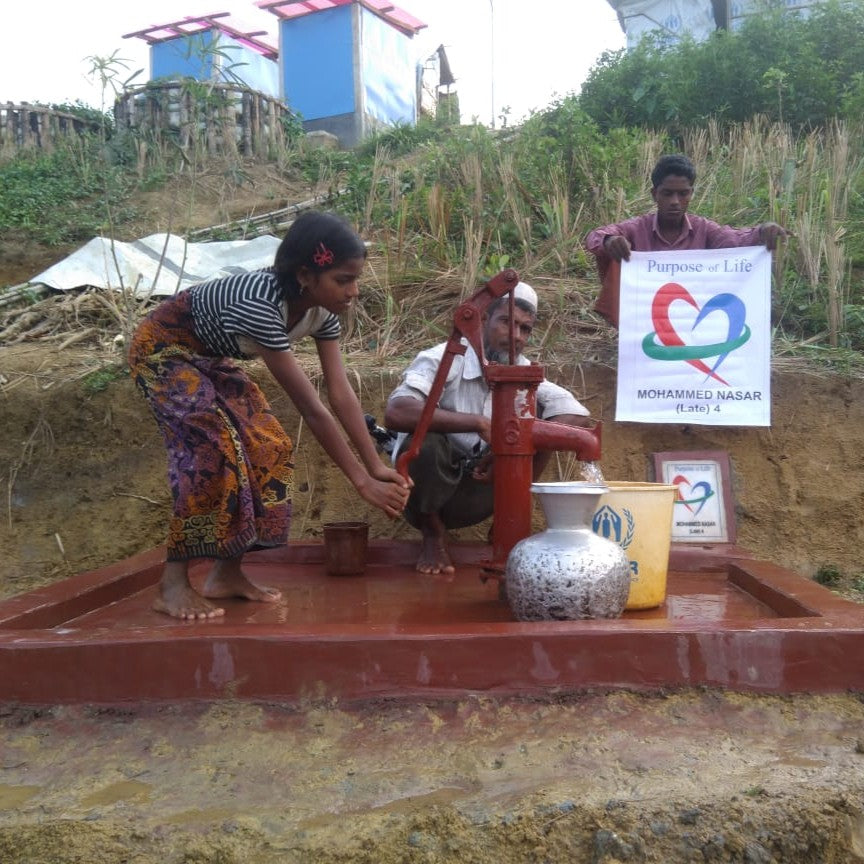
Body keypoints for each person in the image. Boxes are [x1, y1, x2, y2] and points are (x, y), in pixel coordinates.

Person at [128, 210, 411, 620]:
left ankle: (226, 574)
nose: (353, 291)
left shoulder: (323, 310)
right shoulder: (260, 304)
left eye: (356, 279)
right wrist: (360, 481)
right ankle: (172, 584)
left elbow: (340, 394)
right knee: (210, 450)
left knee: (270, 446)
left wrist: (375, 465)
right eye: (343, 279)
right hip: (162, 351)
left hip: (208, 358)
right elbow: (311, 408)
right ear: (305, 275)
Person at [384, 281, 591, 576]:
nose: (515, 336)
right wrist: (479, 424)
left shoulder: (524, 370)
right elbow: (397, 411)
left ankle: (510, 518)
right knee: (426, 442)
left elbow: (577, 415)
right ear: (483, 320)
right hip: (424, 493)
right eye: (507, 322)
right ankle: (432, 533)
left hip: (482, 488)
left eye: (525, 329)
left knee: (541, 429)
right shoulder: (446, 357)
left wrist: (507, 447)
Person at [584, 153, 791, 326]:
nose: (675, 201)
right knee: (613, 255)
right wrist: (609, 241)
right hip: (642, 319)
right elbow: (595, 236)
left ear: (691, 194)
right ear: (654, 194)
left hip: (693, 317)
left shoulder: (704, 229)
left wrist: (762, 231)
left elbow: (735, 239)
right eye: (667, 194)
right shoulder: (636, 228)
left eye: (683, 194)